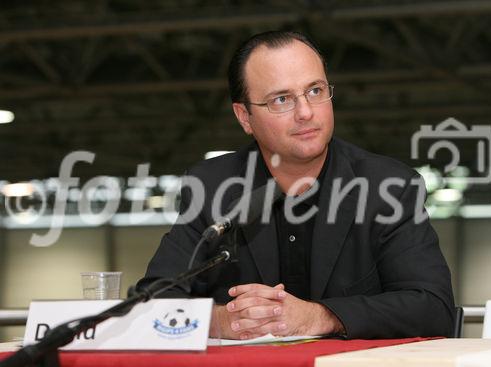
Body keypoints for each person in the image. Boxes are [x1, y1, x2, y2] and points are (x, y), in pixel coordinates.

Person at [137, 31, 455, 340]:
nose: (305, 112)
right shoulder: (212, 187)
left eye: (315, 91)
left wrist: (318, 316)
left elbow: (433, 307)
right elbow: (149, 303)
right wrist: (220, 322)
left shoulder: (388, 186)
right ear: (244, 116)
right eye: (282, 99)